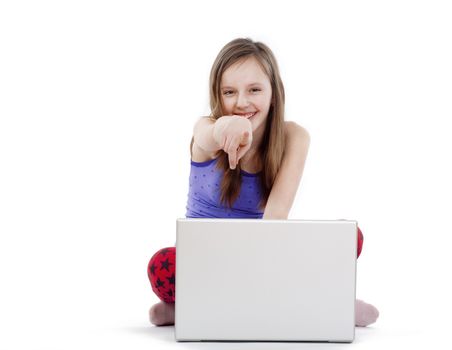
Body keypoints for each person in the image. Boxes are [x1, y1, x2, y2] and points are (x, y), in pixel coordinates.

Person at [147, 38, 379, 327]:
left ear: (273, 93)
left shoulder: (294, 137)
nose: (241, 102)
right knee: (163, 264)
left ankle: (199, 308)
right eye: (229, 92)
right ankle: (312, 303)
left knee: (347, 237)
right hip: (207, 263)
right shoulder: (205, 129)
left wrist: (266, 270)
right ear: (217, 96)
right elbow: (207, 134)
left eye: (254, 90)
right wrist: (227, 128)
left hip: (261, 260)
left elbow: (275, 220)